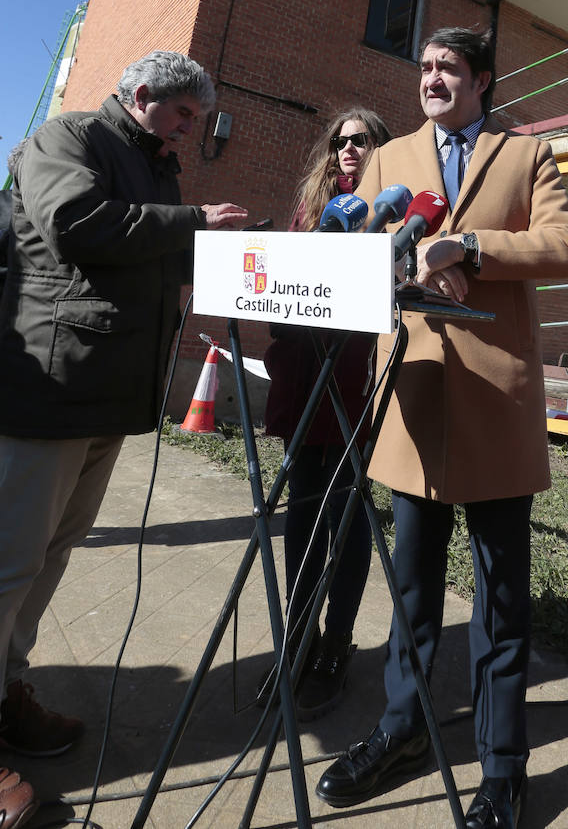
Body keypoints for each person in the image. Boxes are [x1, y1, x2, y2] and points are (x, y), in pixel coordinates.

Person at [316, 27, 568, 829]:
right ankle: (401, 730)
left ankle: (503, 770)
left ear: (482, 80)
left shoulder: (525, 156)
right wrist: (396, 258)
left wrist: (468, 244)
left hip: (496, 402)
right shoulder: (389, 157)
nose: (431, 78)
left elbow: (564, 245)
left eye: (448, 68)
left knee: (502, 602)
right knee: (412, 592)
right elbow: (364, 247)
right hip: (415, 396)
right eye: (424, 67)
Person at [0, 51, 247, 827]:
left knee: (49, 556)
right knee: (6, 564)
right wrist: (194, 224)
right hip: (49, 388)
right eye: (183, 116)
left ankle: (6, 693)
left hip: (108, 398)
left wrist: (240, 253)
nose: (188, 133)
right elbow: (76, 225)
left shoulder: (155, 167)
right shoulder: (66, 139)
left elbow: (160, 252)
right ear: (143, 96)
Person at [261, 107, 390, 718]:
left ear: (381, 149)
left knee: (346, 514)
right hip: (302, 374)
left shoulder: (390, 212)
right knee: (302, 511)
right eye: (340, 141)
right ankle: (299, 636)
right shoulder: (313, 212)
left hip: (355, 383)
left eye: (361, 141)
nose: (348, 149)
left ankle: (337, 641)